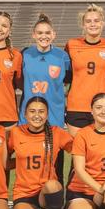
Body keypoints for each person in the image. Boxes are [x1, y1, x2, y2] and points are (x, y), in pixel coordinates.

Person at [8, 97, 74, 209]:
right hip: (24, 192)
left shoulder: (57, 133)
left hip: (47, 192)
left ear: (47, 114)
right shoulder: (16, 133)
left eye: (41, 111)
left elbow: (79, 151)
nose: (37, 115)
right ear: (25, 114)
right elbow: (5, 161)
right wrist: (20, 163)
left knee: (52, 185)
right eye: (32, 111)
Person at [20, 14, 71, 185]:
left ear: (54, 34)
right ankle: (29, 197)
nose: (44, 36)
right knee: (29, 165)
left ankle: (56, 199)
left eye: (47, 32)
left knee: (55, 166)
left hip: (54, 118)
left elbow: (69, 79)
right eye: (40, 33)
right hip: (29, 118)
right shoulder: (25, 54)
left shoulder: (62, 56)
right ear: (33, 34)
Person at [65, 4, 105, 136]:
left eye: (96, 20)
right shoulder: (71, 45)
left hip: (102, 106)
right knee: (77, 147)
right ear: (83, 25)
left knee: (101, 147)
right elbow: (66, 76)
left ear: (102, 23)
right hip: (77, 105)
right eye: (88, 21)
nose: (93, 24)